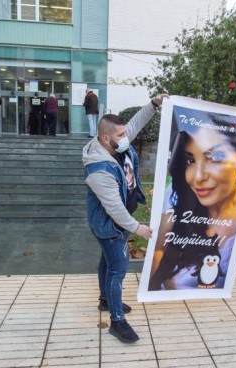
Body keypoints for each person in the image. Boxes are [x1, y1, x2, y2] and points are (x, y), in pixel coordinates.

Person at [82, 93, 168, 343]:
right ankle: (116, 321)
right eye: (120, 136)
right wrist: (137, 228)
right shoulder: (98, 169)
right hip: (110, 224)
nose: (126, 138)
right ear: (106, 138)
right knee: (117, 270)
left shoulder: (113, 142)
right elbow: (114, 209)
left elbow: (134, 124)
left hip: (119, 218)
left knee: (107, 261)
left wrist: (153, 104)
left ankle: (105, 300)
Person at [149, 113, 236, 290]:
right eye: (190, 160)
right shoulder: (176, 215)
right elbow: (155, 264)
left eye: (214, 158)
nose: (198, 177)